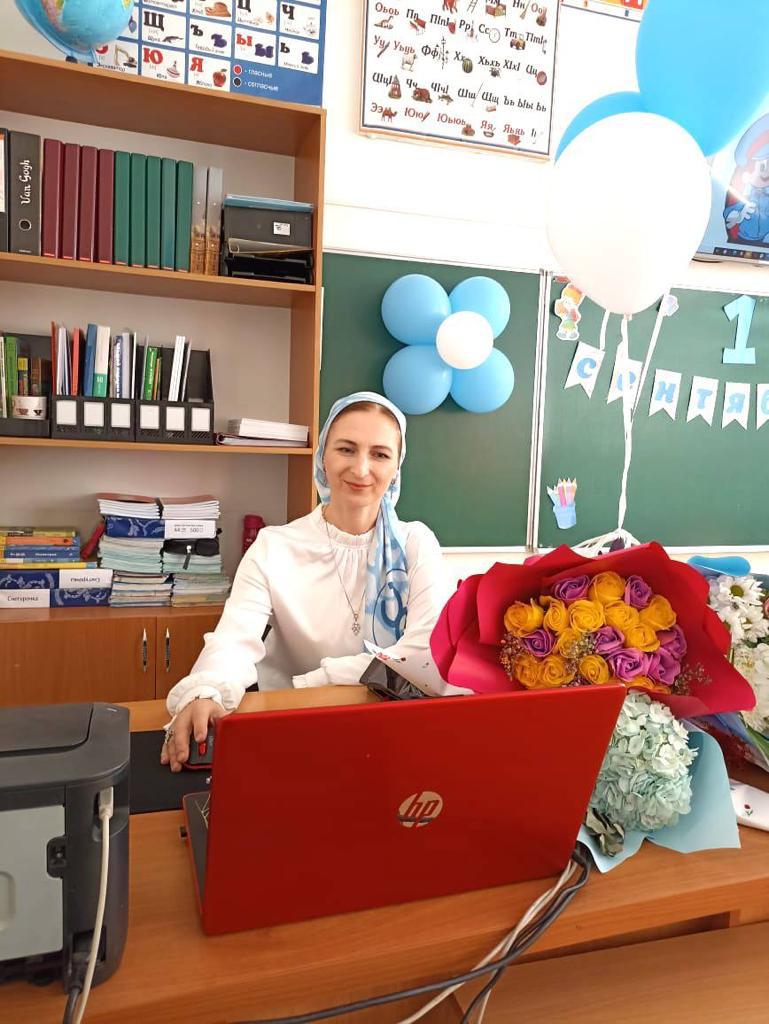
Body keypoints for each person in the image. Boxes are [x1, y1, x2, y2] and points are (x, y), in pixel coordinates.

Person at [161, 392, 449, 771]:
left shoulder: (416, 544)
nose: (361, 469)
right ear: (323, 457)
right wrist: (206, 690)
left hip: (393, 732)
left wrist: (323, 677)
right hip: (294, 727)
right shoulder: (274, 547)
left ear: (397, 467)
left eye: (380, 454)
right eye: (346, 449)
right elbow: (233, 640)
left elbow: (426, 657)